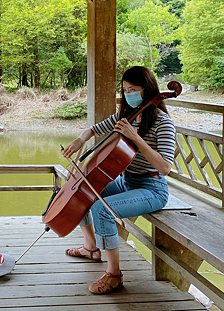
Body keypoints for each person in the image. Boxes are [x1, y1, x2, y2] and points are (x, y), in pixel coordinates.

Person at [61, 66, 176, 295]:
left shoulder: (163, 123)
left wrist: (137, 139)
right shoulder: (127, 116)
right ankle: (90, 247)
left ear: (147, 90)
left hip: (152, 188)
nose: (128, 94)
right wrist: (78, 140)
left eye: (132, 89)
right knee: (84, 189)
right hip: (128, 181)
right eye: (124, 90)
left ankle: (114, 275)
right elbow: (93, 130)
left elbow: (165, 168)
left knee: (101, 209)